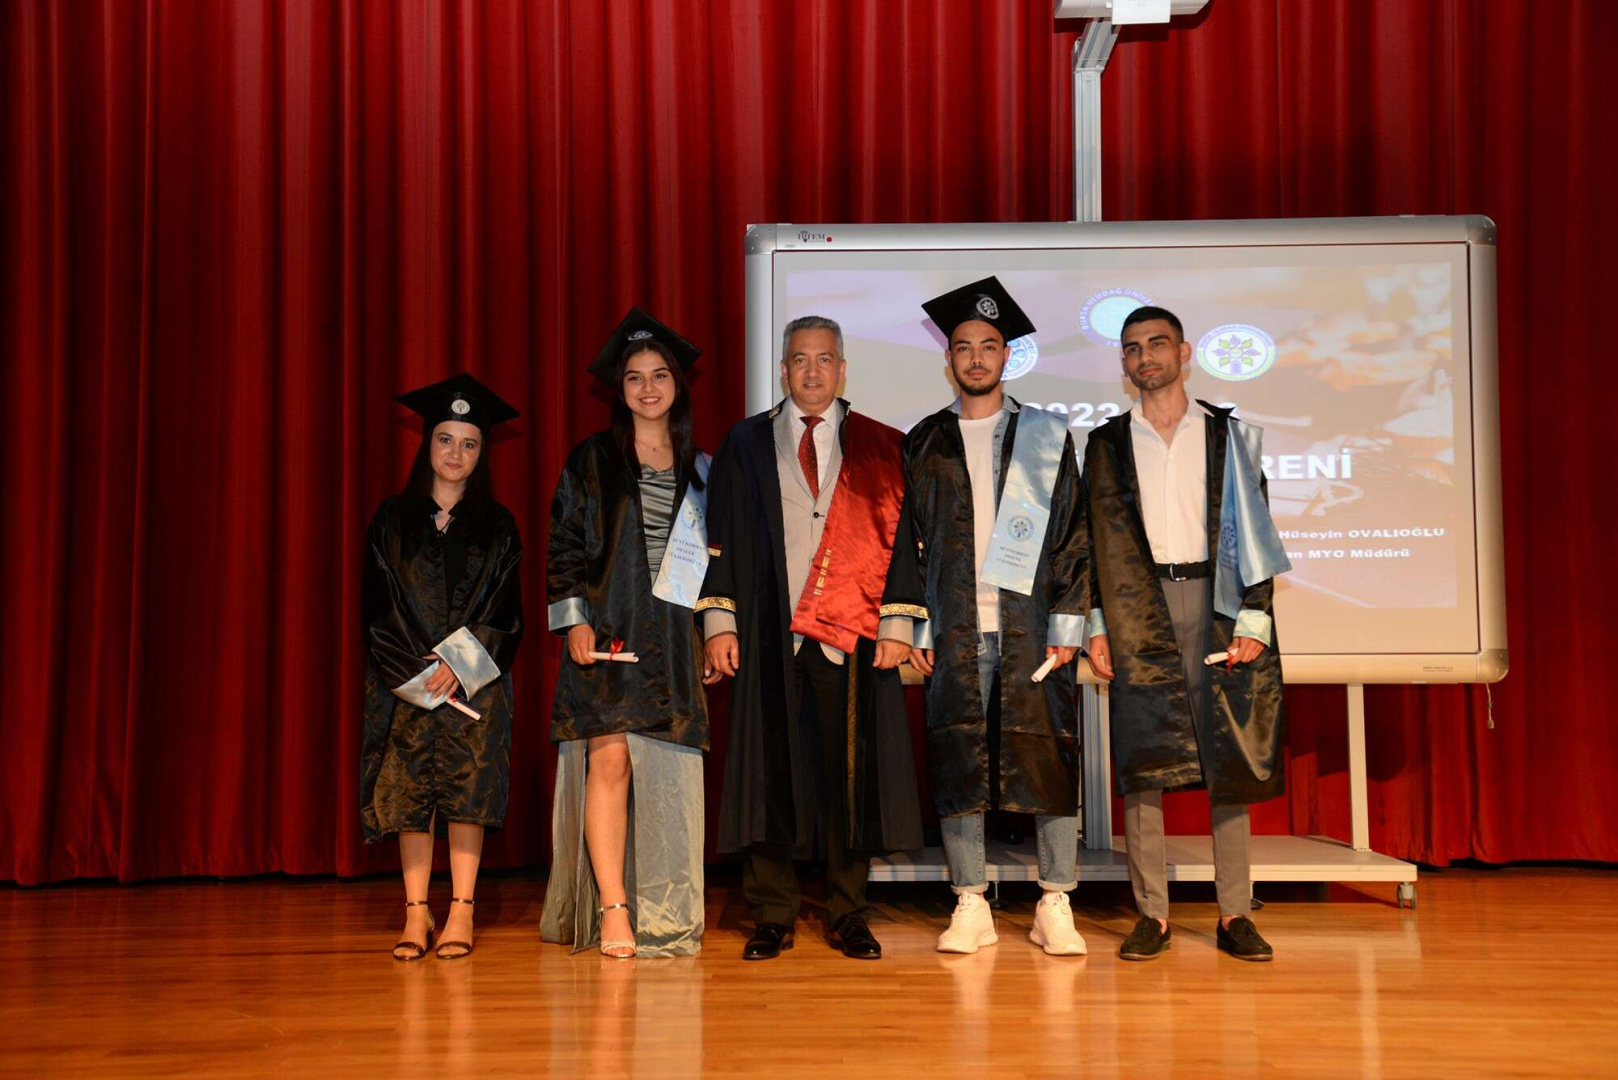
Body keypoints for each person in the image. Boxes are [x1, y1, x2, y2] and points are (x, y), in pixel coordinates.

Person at [698, 315, 923, 961]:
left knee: (850, 777)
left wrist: (897, 625)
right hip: (768, 634)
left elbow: (904, 542)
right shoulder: (745, 442)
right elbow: (719, 538)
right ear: (784, 370)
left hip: (852, 634)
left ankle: (848, 912)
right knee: (768, 774)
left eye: (825, 359)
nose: (813, 371)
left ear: (843, 369)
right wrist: (719, 623)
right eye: (800, 359)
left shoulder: (883, 444)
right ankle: (773, 912)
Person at [882, 276, 1092, 957]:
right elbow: (907, 544)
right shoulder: (925, 441)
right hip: (956, 626)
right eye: (964, 347)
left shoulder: (1045, 436)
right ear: (949, 359)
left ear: (1008, 355)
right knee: (958, 756)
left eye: (989, 346)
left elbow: (1073, 536)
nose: (976, 358)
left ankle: (1054, 900)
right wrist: (916, 627)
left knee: (1049, 756)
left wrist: (1068, 628)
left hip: (1032, 627)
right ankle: (969, 900)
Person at [1083, 305, 1290, 963]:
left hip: (1216, 600)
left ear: (1184, 352)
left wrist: (1255, 616)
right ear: (1124, 362)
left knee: (1231, 754)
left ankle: (1235, 913)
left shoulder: (1229, 436)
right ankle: (1153, 915)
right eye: (1133, 348)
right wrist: (1094, 623)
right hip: (1136, 603)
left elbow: (1257, 530)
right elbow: (1091, 541)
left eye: (1157, 344)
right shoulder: (1106, 444)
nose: (1145, 357)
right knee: (1142, 759)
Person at [540, 308, 710, 959]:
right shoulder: (593, 459)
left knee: (671, 774)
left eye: (659, 375)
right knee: (608, 762)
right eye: (634, 377)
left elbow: (718, 562)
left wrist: (715, 631)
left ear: (677, 384)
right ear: (620, 388)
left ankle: (667, 907)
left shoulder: (703, 468)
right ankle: (614, 908)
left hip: (675, 639)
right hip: (611, 629)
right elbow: (564, 545)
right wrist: (574, 621)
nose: (647, 388)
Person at [361, 373, 525, 961]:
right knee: (409, 795)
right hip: (406, 681)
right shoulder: (391, 519)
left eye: (469, 443)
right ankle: (415, 910)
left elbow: (504, 610)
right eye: (445, 440)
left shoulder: (498, 525)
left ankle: (461, 909)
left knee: (467, 791)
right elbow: (378, 606)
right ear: (428, 443)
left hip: (475, 684)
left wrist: (457, 664)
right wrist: (418, 672)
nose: (456, 453)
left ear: (482, 453)